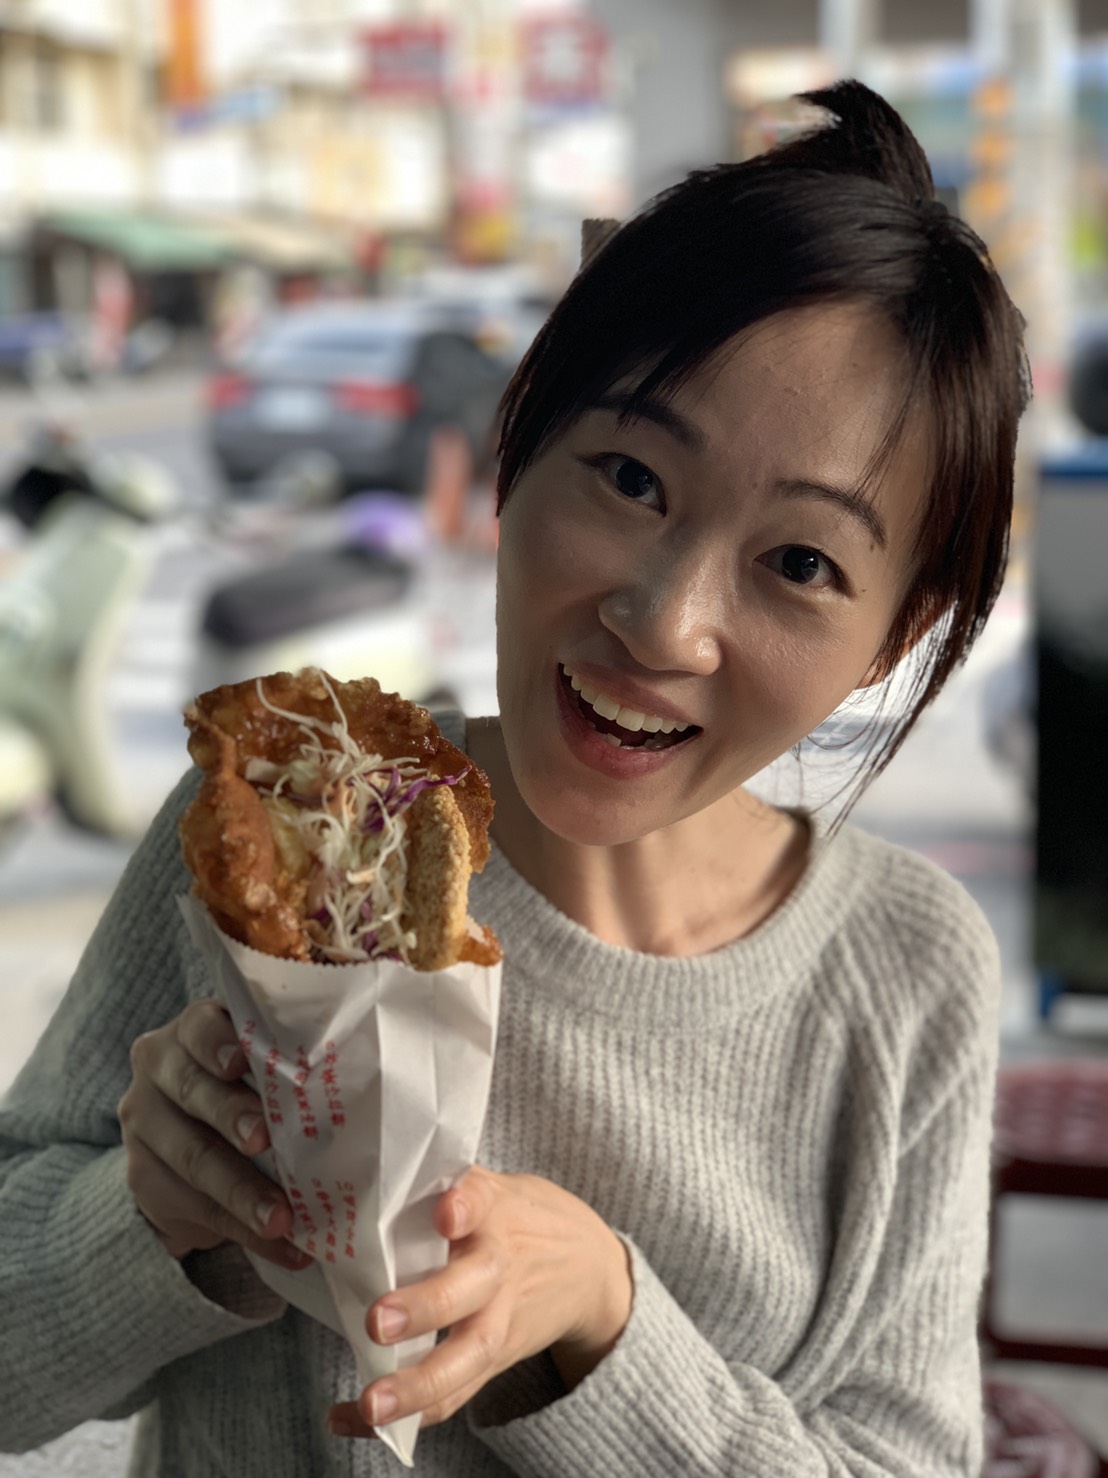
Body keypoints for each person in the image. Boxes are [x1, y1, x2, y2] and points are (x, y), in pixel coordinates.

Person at [0, 80, 1028, 1476]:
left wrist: (607, 1322)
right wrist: (144, 1221)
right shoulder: (288, 833)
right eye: (631, 477)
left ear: (894, 637)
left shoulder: (906, 971)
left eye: (800, 562)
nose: (662, 624)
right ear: (519, 443)